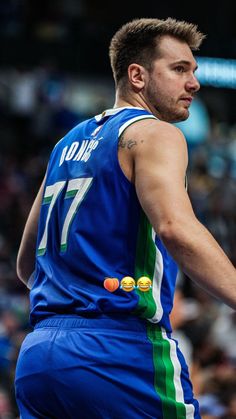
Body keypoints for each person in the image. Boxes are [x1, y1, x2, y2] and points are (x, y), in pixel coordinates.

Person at [14, 17, 236, 419]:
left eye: (194, 71)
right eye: (179, 69)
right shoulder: (156, 133)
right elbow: (175, 228)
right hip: (118, 353)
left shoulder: (66, 144)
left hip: (39, 357)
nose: (194, 83)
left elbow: (26, 265)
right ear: (137, 75)